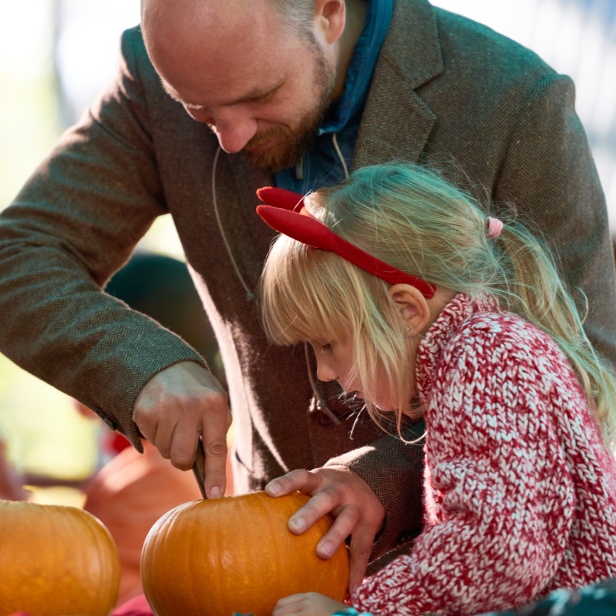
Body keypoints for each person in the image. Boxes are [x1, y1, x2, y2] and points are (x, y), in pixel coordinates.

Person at [0, 0, 613, 584]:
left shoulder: (513, 97)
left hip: (462, 578)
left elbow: (586, 366)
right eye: (199, 114)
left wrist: (387, 477)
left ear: (329, 11)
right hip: (251, 567)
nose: (231, 141)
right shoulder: (154, 73)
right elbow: (17, 255)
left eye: (259, 97)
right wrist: (143, 367)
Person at [255, 165, 616, 615]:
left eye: (327, 344)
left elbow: (498, 553)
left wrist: (366, 610)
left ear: (406, 309)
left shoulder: (484, 356)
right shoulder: (482, 348)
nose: (324, 372)